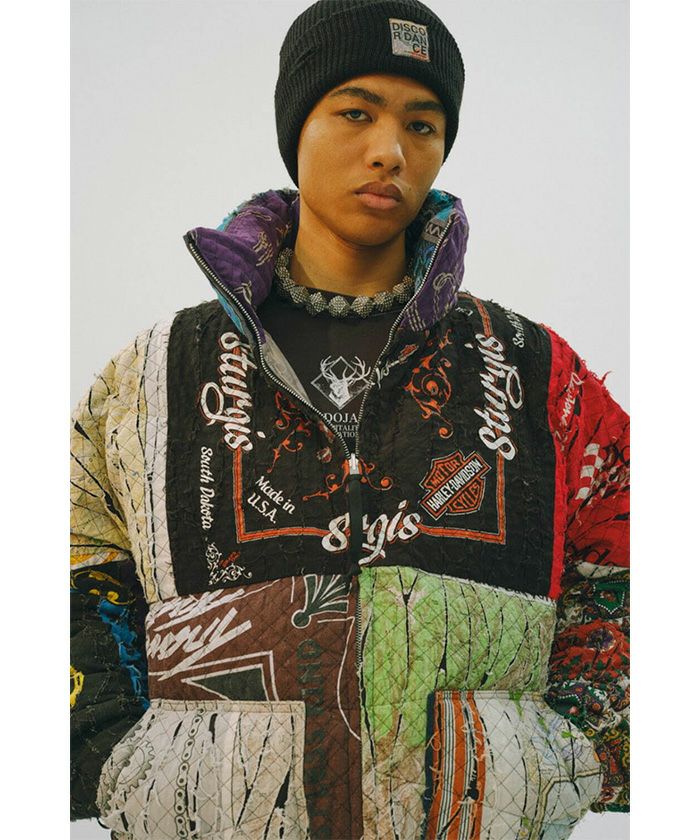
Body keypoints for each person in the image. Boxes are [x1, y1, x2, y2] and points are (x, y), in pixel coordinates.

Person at [70, 1, 630, 837]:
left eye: (422, 124)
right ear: (295, 127)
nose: (390, 150)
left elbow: (634, 556)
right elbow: (70, 559)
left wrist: (569, 754)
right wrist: (116, 757)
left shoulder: (534, 370)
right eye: (356, 112)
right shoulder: (155, 372)